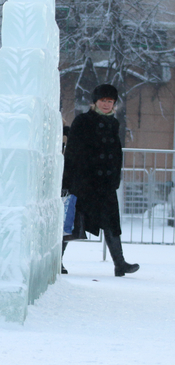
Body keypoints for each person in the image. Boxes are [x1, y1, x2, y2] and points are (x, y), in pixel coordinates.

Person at [61, 83, 139, 277]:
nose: (106, 104)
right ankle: (56, 261)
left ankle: (120, 264)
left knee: (112, 222)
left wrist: (115, 179)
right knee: (72, 222)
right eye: (103, 100)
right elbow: (71, 152)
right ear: (94, 102)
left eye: (110, 101)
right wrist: (67, 182)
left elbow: (115, 153)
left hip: (105, 185)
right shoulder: (83, 121)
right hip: (83, 182)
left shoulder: (113, 123)